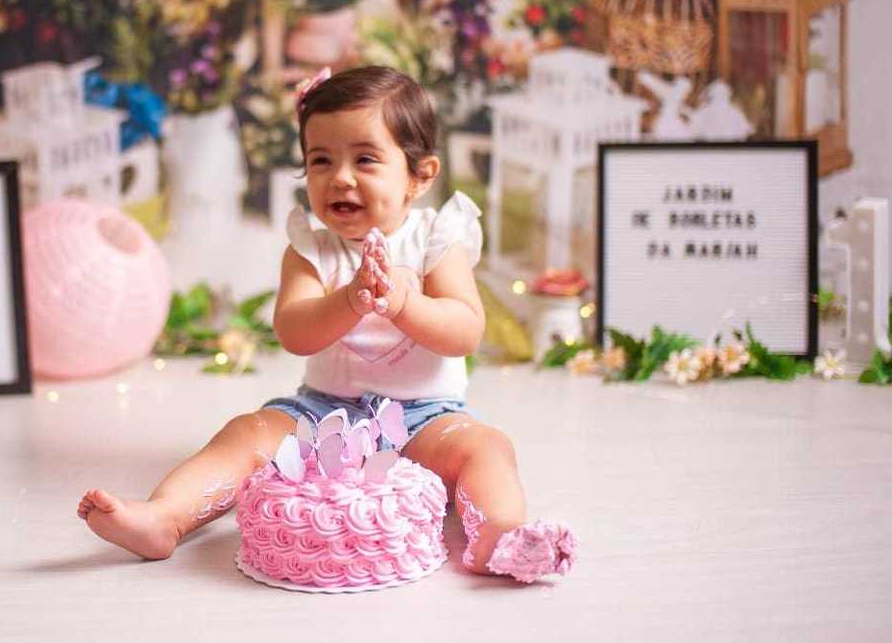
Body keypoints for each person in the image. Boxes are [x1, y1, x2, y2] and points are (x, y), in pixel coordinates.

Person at [78, 65, 577, 582]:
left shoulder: (436, 238)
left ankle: (501, 535)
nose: (340, 177)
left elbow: (466, 330)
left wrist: (405, 302)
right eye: (321, 161)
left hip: (427, 417)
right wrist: (349, 300)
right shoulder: (311, 249)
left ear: (420, 175)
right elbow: (294, 332)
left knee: (488, 446)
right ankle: (166, 517)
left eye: (364, 159)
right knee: (246, 432)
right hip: (322, 413)